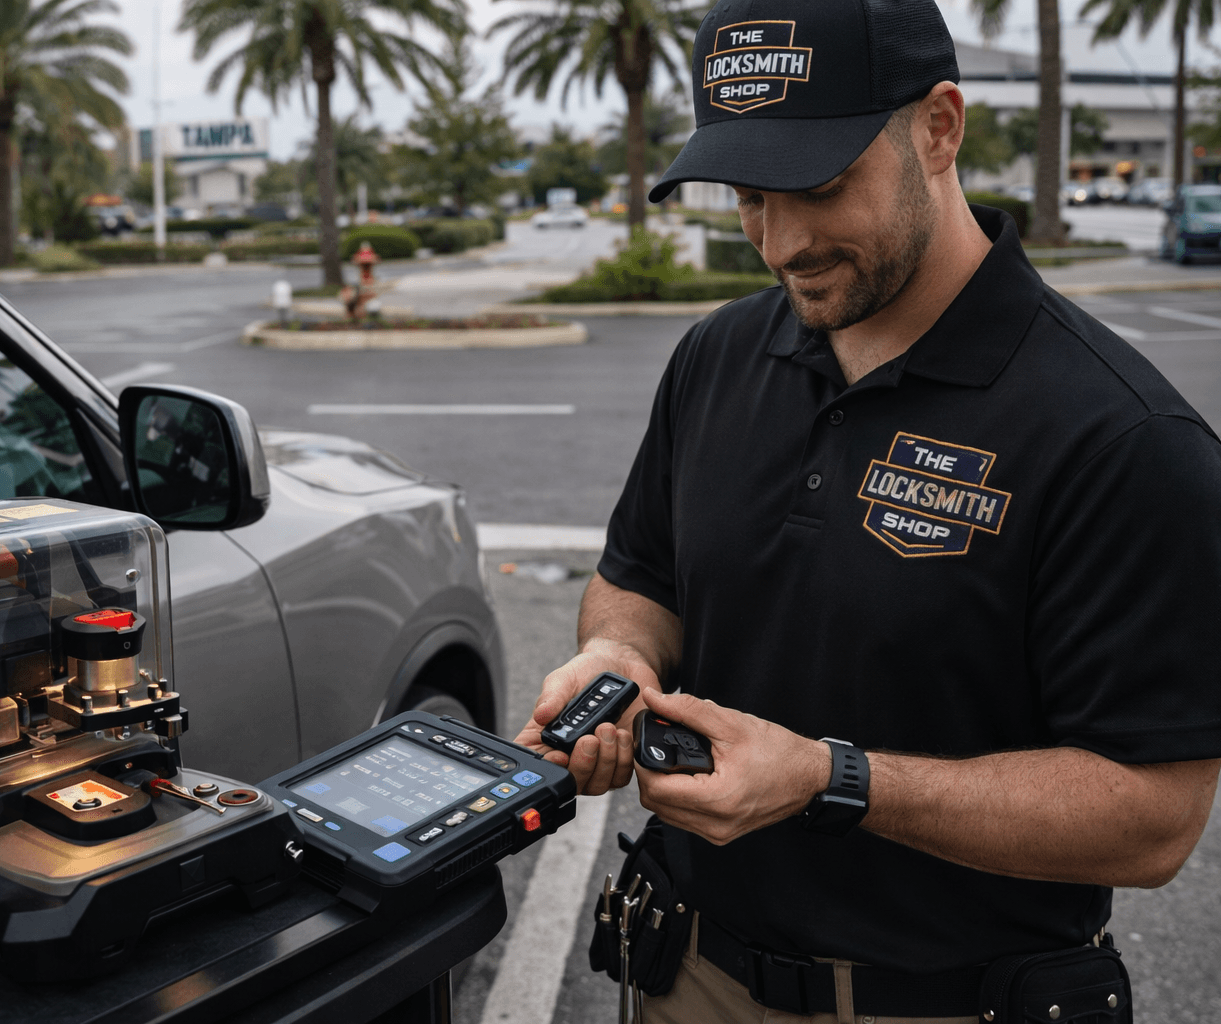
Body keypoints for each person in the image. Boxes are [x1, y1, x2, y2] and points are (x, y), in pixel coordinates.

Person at [517, 0, 1221, 1020]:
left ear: (939, 128)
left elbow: (1152, 820)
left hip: (944, 1002)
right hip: (686, 975)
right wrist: (616, 661)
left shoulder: (1122, 436)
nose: (780, 243)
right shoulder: (715, 357)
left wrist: (830, 779)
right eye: (749, 196)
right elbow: (642, 580)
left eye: (820, 185)